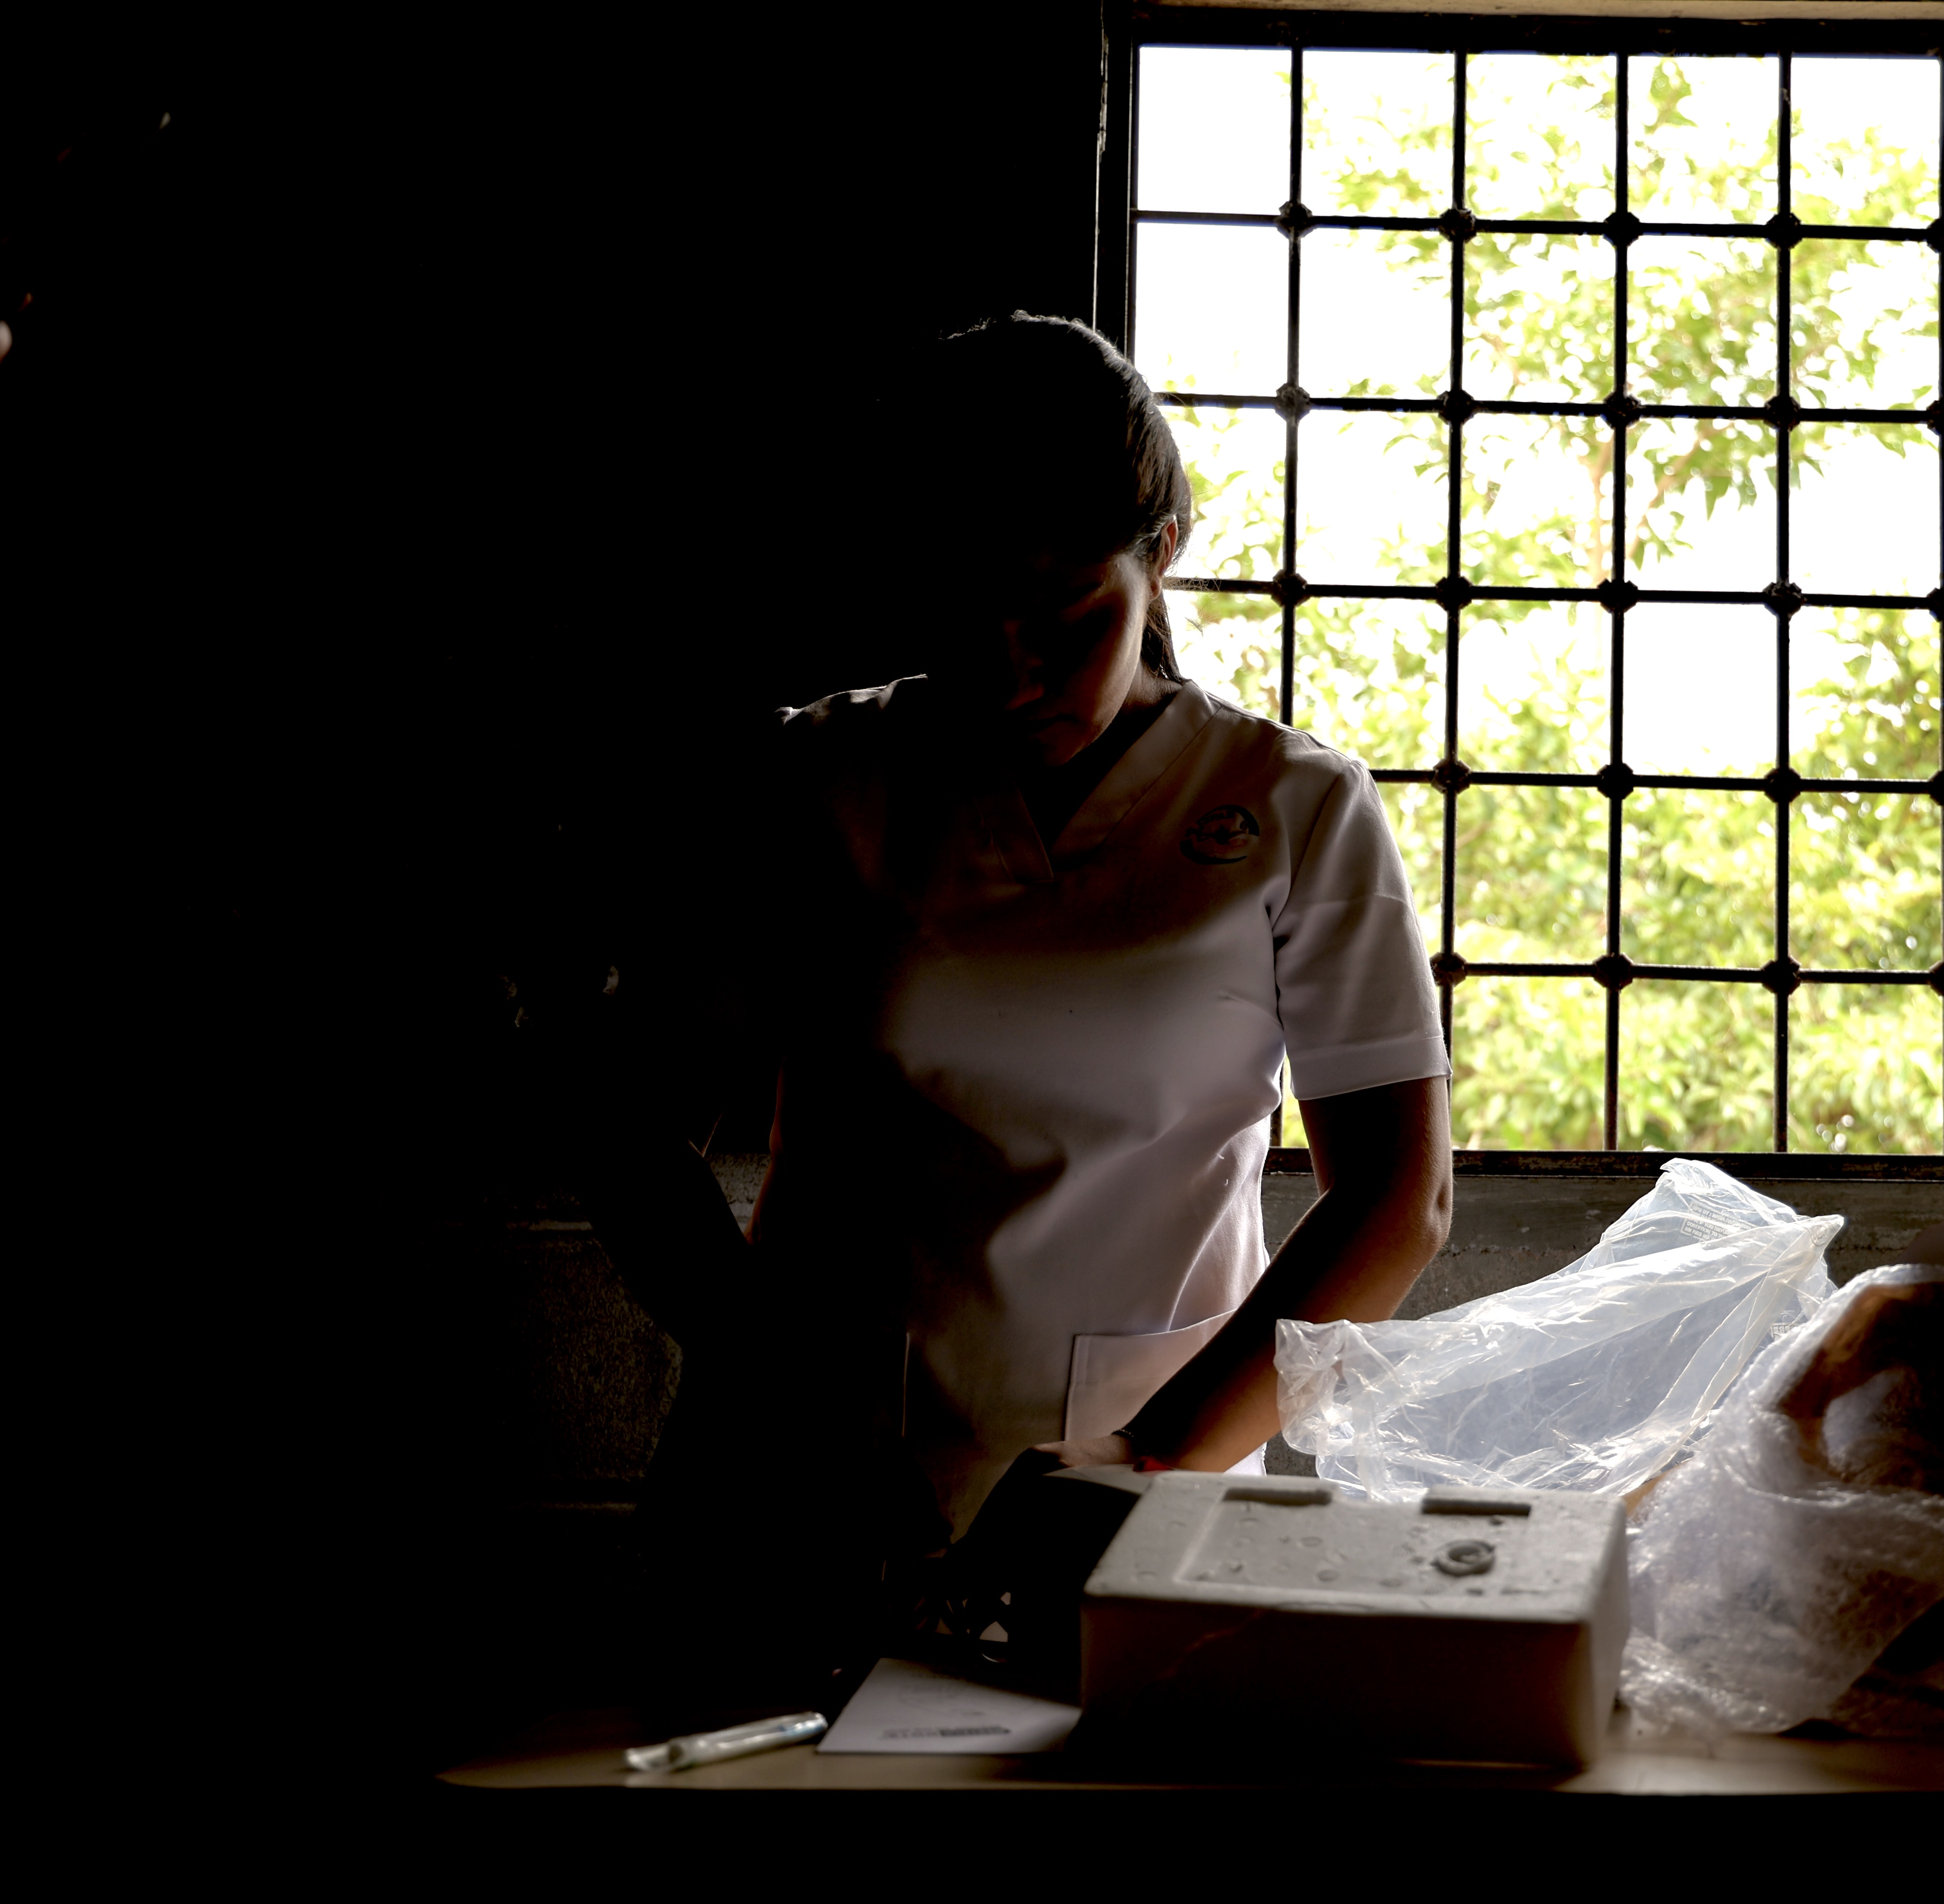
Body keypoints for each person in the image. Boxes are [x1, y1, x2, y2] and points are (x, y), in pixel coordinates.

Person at [573, 312, 1453, 1707]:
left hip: (1145, 1496)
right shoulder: (825, 782)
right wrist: (773, 1387)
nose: (1013, 673)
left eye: (1068, 618)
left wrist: (1147, 1462)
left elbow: (1396, 1206)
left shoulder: (1291, 811)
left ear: (1159, 555)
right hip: (797, 1496)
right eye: (965, 615)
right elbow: (631, 1124)